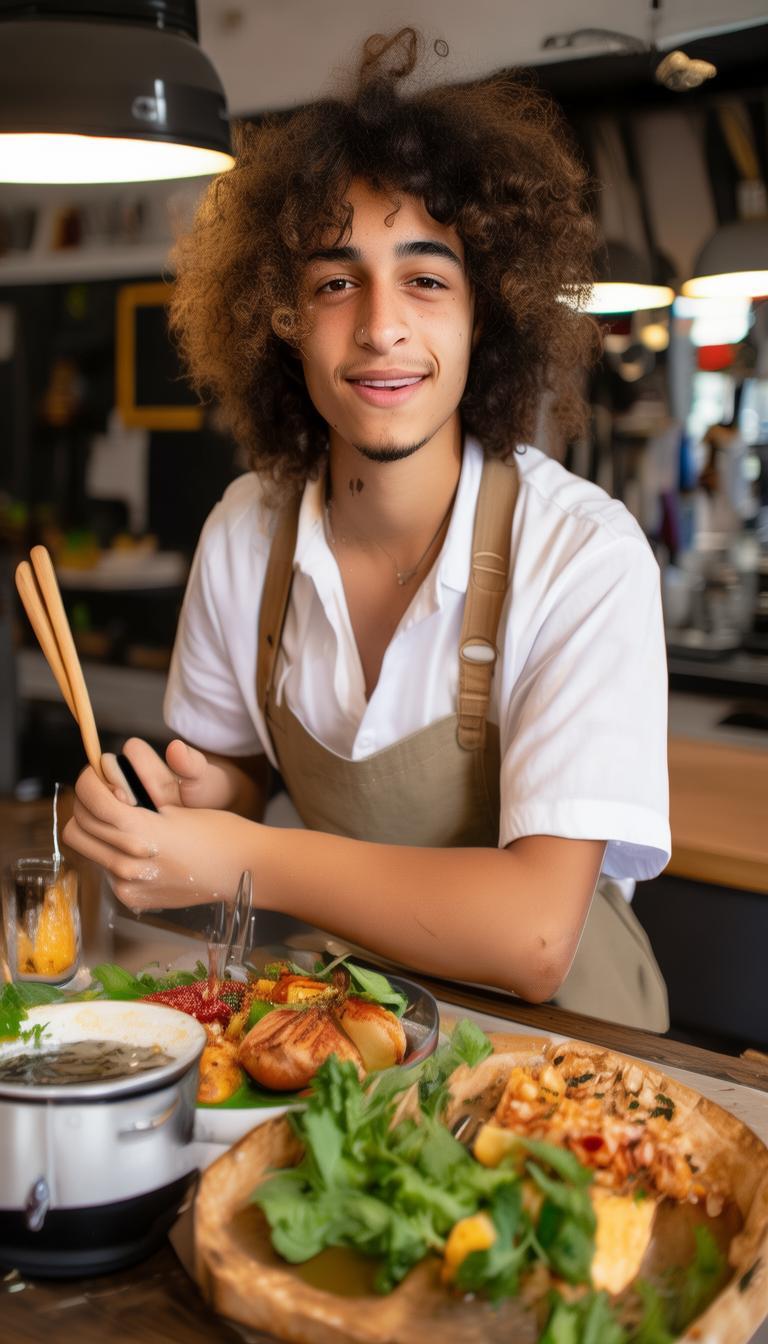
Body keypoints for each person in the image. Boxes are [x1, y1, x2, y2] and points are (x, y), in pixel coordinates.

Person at [64, 30, 671, 1025]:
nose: (382, 325)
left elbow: (535, 939)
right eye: (336, 281)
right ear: (284, 318)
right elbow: (237, 784)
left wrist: (243, 855)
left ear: (489, 315)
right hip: (355, 1030)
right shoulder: (245, 534)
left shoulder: (584, 556)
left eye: (427, 279)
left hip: (572, 1066)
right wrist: (165, 819)